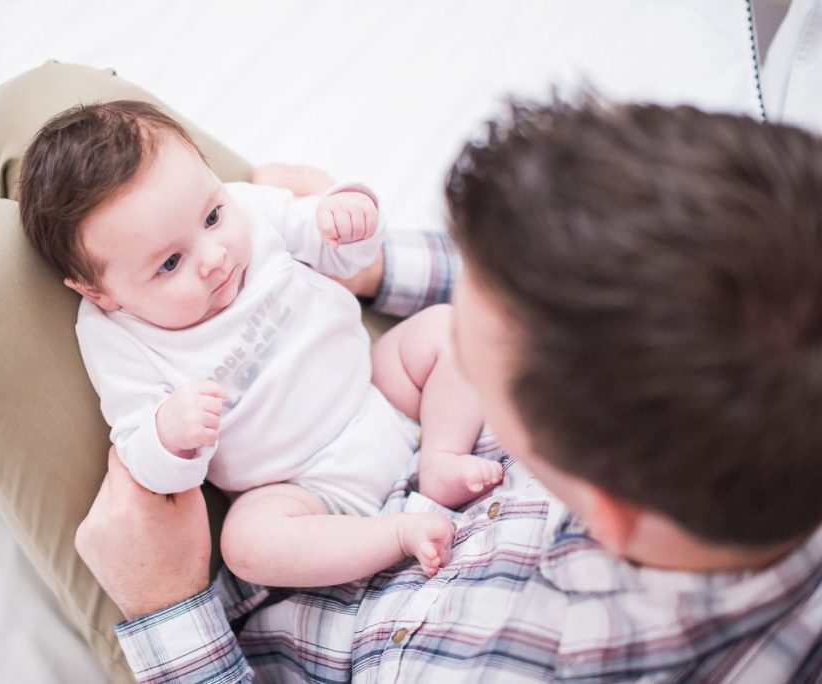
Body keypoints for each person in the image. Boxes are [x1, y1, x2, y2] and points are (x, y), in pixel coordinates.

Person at [74, 99, 822, 681]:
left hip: (216, 579)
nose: (464, 315)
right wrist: (359, 256)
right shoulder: (767, 350)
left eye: (480, 338)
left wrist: (166, 607)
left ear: (605, 516)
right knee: (69, 142)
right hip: (334, 370)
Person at [17, 101, 502, 586]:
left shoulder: (247, 207)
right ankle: (392, 536)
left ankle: (442, 455)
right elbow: (141, 454)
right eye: (169, 264)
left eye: (211, 218)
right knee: (246, 544)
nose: (213, 256)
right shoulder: (114, 337)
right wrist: (169, 434)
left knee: (443, 328)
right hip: (303, 488)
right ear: (98, 291)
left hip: (380, 392)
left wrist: (349, 217)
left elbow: (341, 252)